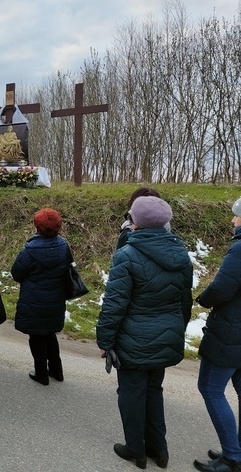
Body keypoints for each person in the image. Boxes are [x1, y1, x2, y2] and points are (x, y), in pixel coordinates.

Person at [97, 196, 193, 470]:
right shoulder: (181, 254)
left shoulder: (127, 254)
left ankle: (136, 450)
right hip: (166, 335)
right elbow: (184, 301)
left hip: (133, 339)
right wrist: (176, 329)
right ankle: (159, 452)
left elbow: (115, 304)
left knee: (130, 393)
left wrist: (105, 340)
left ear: (136, 221)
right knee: (154, 391)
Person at [192, 197, 241, 472]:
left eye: (237, 217)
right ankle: (237, 449)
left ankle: (233, 457)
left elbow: (222, 288)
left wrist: (203, 299)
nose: (233, 221)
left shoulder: (240, 250)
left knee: (211, 389)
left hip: (230, 332)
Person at [11, 208, 69, 385]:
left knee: (36, 336)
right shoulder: (63, 246)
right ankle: (57, 371)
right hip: (56, 300)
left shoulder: (30, 251)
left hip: (34, 301)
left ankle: (41, 374)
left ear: (37, 227)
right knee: (50, 334)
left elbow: (16, 273)